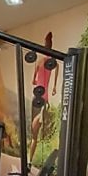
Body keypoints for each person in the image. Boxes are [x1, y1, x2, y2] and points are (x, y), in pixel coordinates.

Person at [28, 32, 59, 164]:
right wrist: (54, 87)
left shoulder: (40, 61)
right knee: (37, 133)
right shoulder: (52, 62)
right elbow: (57, 70)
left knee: (36, 134)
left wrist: (39, 82)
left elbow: (33, 81)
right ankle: (30, 161)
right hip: (42, 99)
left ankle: (31, 161)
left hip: (38, 98)